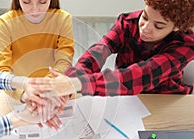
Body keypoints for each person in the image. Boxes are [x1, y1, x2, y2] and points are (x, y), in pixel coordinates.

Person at [29, 0, 194, 97]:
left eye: (158, 26)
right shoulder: (128, 22)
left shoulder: (185, 46)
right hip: (124, 97)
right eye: (144, 17)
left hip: (164, 99)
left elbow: (138, 76)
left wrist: (78, 83)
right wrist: (71, 80)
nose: (145, 28)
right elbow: (99, 51)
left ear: (177, 27)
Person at [0, 0, 74, 101]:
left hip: (53, 87)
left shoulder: (63, 19)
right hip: (17, 89)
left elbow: (64, 62)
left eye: (42, 2)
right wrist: (23, 94)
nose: (35, 10)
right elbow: (2, 70)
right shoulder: (4, 23)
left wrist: (45, 86)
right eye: (27, 2)